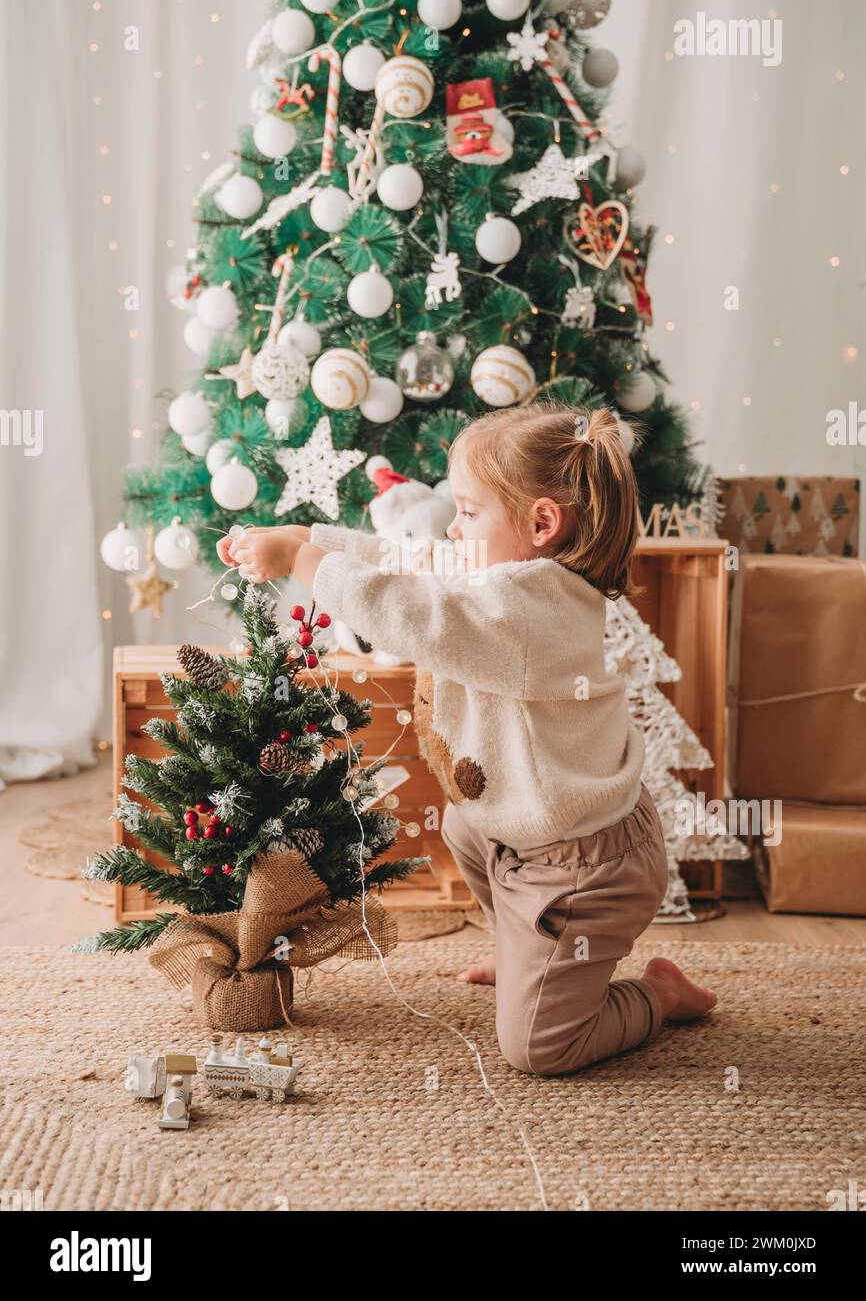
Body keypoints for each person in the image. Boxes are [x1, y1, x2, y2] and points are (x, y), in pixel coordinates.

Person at [216, 402, 716, 1077]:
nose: (452, 529)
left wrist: (304, 561)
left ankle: (656, 993)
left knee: (539, 1048)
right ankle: (526, 957)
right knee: (463, 829)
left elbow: (412, 611)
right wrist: (304, 535)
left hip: (586, 871)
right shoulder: (493, 573)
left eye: (469, 512)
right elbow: (405, 561)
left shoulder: (530, 611)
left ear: (542, 524)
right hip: (520, 835)